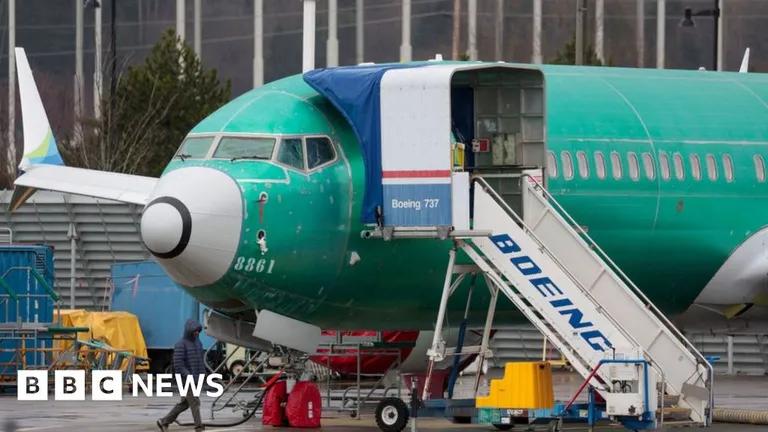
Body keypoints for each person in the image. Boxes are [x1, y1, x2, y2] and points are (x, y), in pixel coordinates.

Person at [157, 319, 206, 432]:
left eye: (198, 331)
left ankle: (164, 421)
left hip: (196, 379)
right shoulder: (180, 344)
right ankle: (199, 427)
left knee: (185, 404)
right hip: (186, 380)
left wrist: (203, 374)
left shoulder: (198, 343)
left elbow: (200, 361)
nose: (197, 333)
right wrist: (189, 376)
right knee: (194, 402)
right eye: (195, 331)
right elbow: (178, 365)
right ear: (189, 331)